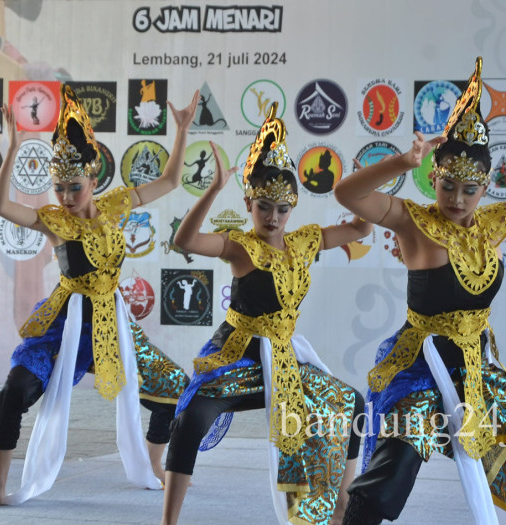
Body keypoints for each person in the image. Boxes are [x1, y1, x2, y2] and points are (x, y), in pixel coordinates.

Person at [334, 57, 506, 524]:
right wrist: (400, 161)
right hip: (419, 371)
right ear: (435, 178)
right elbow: (348, 195)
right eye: (448, 185)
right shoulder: (413, 220)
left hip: (478, 371)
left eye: (469, 189)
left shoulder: (495, 222)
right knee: (391, 472)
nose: (456, 199)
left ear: (486, 187)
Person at [0, 84, 198, 509]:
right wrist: (12, 147)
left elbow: (170, 180)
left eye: (74, 187)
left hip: (113, 324)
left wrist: (181, 131)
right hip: (66, 324)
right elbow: (0, 205)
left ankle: (150, 465)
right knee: (16, 389)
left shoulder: (115, 206)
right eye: (59, 189)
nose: (67, 198)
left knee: (175, 387)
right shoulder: (54, 220)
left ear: (93, 179)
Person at [162, 104, 372, 525]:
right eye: (263, 207)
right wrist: (212, 189)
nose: (273, 218)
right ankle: (168, 521)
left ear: (292, 206)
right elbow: (184, 239)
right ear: (249, 203)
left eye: (281, 209)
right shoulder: (241, 246)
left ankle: (343, 506)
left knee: (353, 403)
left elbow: (361, 230)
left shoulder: (303, 242)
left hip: (285, 357)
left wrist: (361, 192)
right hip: (237, 353)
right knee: (188, 421)